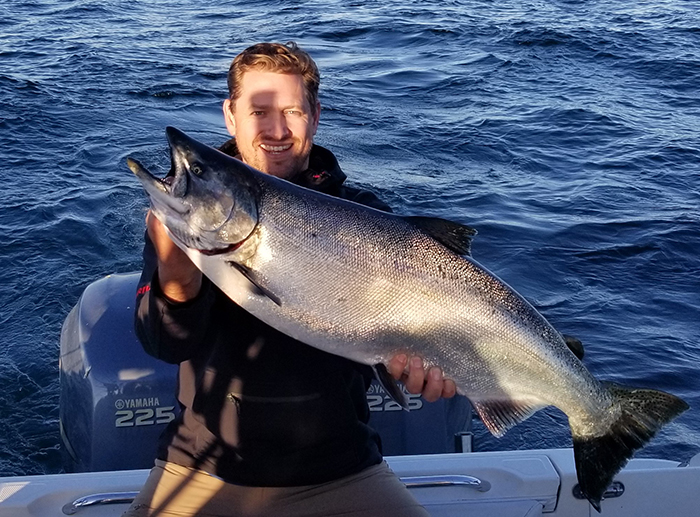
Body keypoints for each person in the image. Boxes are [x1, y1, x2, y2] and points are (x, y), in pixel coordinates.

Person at [124, 42, 456, 517]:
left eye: (292, 112)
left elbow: (412, 340)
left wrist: (429, 365)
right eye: (259, 111)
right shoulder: (188, 215)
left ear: (314, 117)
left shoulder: (370, 222)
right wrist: (176, 277)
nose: (276, 130)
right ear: (230, 116)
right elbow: (164, 345)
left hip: (341, 471)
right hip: (200, 469)